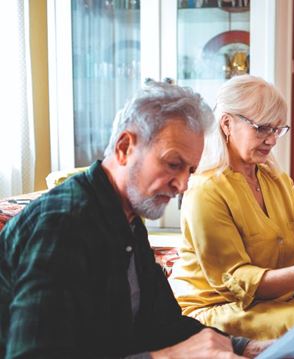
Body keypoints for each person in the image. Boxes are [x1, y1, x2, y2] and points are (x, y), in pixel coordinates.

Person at [0, 81, 276, 358]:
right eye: (172, 164)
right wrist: (169, 356)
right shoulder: (62, 225)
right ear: (124, 147)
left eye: (190, 170)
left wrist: (244, 346)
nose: (182, 185)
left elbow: (164, 324)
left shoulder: (128, 219)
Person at [169, 75, 294, 358]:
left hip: (266, 301)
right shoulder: (206, 190)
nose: (271, 139)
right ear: (227, 124)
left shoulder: (274, 177)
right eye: (262, 129)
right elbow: (234, 281)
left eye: (277, 129)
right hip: (215, 306)